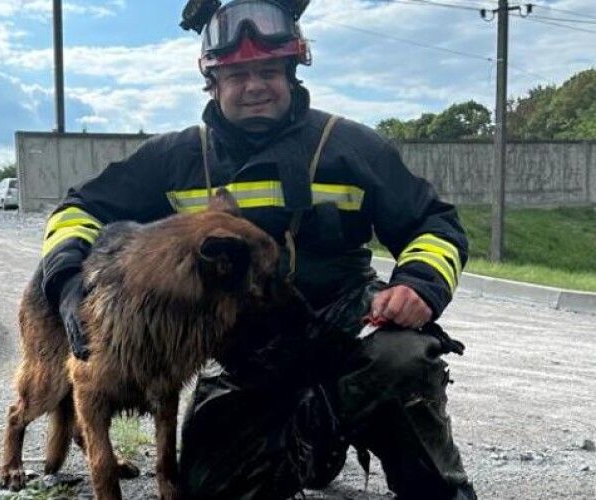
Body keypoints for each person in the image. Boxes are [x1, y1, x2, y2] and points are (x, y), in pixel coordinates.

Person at [40, 0, 476, 498]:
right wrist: (68, 282)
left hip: (342, 318)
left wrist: (418, 283)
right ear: (213, 82)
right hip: (246, 349)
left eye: (268, 71)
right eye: (237, 75)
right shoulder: (178, 157)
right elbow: (77, 210)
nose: (254, 87)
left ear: (291, 73)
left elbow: (435, 223)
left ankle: (433, 487)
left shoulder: (350, 146)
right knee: (210, 488)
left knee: (400, 360)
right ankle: (310, 430)